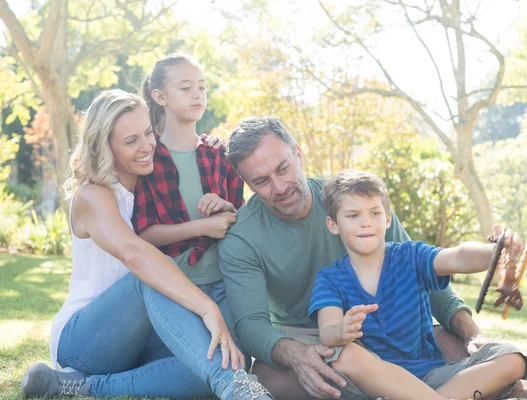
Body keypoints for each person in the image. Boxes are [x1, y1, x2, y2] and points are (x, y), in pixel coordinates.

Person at [19, 89, 272, 400]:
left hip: (142, 337)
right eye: (130, 141)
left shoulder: (152, 186)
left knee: (215, 361)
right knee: (145, 276)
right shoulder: (94, 195)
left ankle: (79, 386)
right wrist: (206, 308)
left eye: (148, 133)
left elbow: (192, 162)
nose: (146, 146)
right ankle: (238, 388)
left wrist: (212, 148)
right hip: (86, 340)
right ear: (105, 146)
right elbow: (136, 255)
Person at [219, 116, 484, 400]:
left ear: (297, 152)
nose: (280, 187)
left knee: (462, 349)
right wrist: (296, 355)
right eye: (262, 181)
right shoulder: (241, 238)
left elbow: (424, 272)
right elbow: (251, 324)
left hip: (386, 325)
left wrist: (470, 332)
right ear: (246, 183)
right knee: (268, 379)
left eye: (283, 168)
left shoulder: (353, 202)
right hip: (310, 337)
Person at [309, 169, 527, 400]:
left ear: (388, 218)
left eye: (374, 213)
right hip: (373, 386)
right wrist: (341, 330)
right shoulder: (329, 278)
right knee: (344, 355)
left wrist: (496, 252)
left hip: (431, 377)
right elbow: (328, 333)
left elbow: (457, 257)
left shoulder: (411, 256)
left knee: (513, 359)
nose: (366, 223)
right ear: (333, 224)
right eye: (353, 215)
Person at [132, 51, 246, 365]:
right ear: (160, 96)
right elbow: (143, 235)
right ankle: (95, 385)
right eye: (185, 87)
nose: (197, 94)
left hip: (224, 285)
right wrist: (202, 227)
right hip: (173, 288)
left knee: (233, 360)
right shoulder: (147, 158)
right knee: (211, 364)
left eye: (202, 87)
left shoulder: (220, 155)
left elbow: (243, 219)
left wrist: (226, 208)